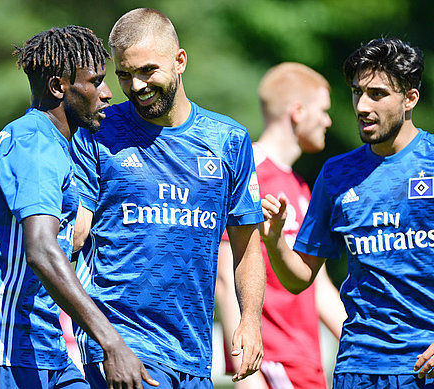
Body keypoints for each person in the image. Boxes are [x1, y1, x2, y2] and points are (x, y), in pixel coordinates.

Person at [0, 26, 156, 389]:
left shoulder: (53, 144)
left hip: (41, 342)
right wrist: (112, 341)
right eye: (96, 81)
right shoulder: (35, 145)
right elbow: (41, 249)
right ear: (58, 87)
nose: (106, 94)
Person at [70, 8, 266, 388]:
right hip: (121, 344)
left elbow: (247, 244)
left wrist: (250, 320)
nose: (137, 86)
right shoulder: (98, 132)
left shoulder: (228, 140)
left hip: (193, 354)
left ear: (180, 61)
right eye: (124, 75)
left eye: (147, 71)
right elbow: (74, 233)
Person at [261, 38, 434, 388]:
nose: (362, 105)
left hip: (424, 367)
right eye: (357, 92)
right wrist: (275, 239)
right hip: (357, 367)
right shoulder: (336, 174)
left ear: (410, 99)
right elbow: (299, 279)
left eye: (377, 94)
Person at [215, 62, 347, 388]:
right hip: (269, 365)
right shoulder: (249, 172)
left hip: (308, 365)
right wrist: (245, 374)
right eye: (324, 110)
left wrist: (372, 345)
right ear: (298, 111)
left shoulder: (302, 189)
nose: (328, 121)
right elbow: (223, 273)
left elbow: (317, 285)